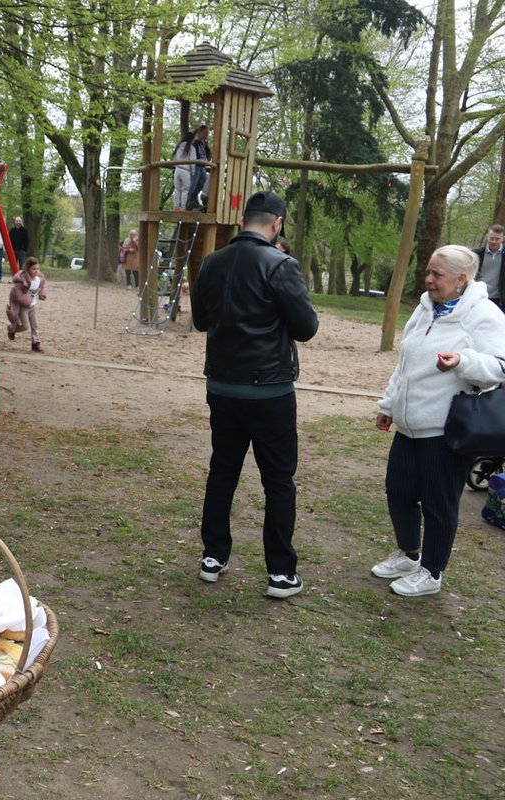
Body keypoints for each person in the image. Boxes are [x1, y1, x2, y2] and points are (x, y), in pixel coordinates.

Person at [190, 190, 318, 598]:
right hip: (269, 391)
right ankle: (280, 572)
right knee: (278, 481)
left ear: (243, 221)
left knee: (223, 471)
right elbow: (306, 327)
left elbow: (200, 321)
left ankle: (213, 556)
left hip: (223, 386)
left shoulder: (211, 262)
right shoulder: (280, 265)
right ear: (277, 224)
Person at [372, 245, 505, 596]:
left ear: (461, 279)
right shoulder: (424, 308)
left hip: (445, 429)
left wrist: (463, 361)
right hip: (408, 424)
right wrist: (389, 405)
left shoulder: (484, 314)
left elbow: (499, 366)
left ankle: (431, 573)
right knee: (398, 492)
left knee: (438, 502)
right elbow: (405, 364)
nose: (428, 280)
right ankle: (408, 554)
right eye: (428, 272)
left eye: (437, 274)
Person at [6, 256, 48, 352]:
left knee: (35, 325)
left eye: (38, 269)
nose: (36, 271)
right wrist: (26, 301)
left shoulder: (39, 279)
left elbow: (43, 286)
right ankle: (12, 329)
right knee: (25, 326)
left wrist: (42, 294)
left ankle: (36, 344)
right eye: (33, 269)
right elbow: (16, 294)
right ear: (28, 269)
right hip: (24, 306)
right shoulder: (22, 281)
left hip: (33, 305)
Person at [472, 224, 505, 308]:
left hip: (500, 299)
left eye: (497, 239)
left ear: (503, 238)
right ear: (487, 237)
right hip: (478, 296)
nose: (494, 241)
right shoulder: (476, 254)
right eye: (491, 238)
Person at [186, 125, 211, 211]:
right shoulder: (194, 142)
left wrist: (206, 145)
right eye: (205, 133)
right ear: (199, 132)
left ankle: (193, 199)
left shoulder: (203, 144)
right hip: (196, 166)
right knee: (193, 185)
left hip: (202, 166)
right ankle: (188, 202)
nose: (206, 135)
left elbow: (208, 154)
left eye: (207, 133)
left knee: (202, 183)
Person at [171, 129, 195, 210]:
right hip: (186, 170)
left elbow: (174, 159)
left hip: (177, 169)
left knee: (177, 189)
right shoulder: (191, 148)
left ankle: (175, 207)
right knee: (185, 189)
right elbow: (192, 161)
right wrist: (193, 172)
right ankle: (182, 207)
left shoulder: (178, 147)